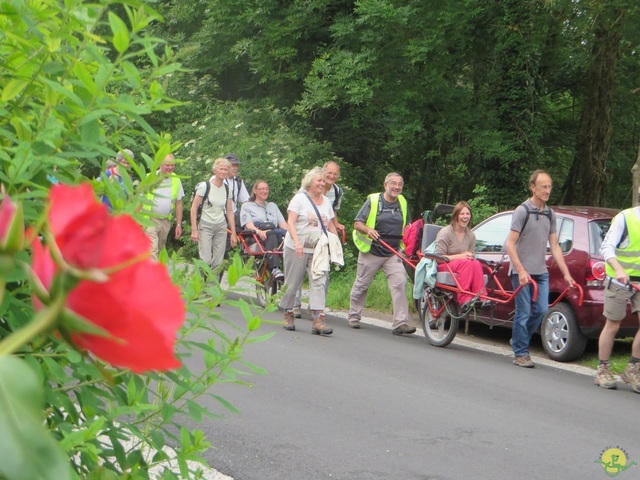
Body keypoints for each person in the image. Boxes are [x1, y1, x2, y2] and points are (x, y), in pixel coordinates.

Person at [505, 169, 574, 368]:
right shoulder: (522, 211)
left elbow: (555, 246)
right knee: (524, 311)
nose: (547, 190)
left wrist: (567, 274)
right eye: (543, 186)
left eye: (549, 186)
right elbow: (510, 244)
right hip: (521, 272)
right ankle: (520, 352)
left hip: (540, 271)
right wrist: (521, 270)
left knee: (542, 310)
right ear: (532, 187)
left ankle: (519, 339)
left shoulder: (549, 213)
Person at [349, 172, 415, 335]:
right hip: (372, 250)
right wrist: (368, 230)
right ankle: (354, 316)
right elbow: (357, 223)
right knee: (362, 284)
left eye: (400, 184)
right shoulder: (373, 201)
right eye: (393, 183)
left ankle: (400, 323)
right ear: (385, 185)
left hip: (392, 251)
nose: (396, 187)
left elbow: (408, 226)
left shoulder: (402, 202)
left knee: (400, 282)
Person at [280, 167, 337, 335]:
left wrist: (334, 244)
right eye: (319, 180)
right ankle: (288, 312)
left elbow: (330, 224)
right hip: (296, 248)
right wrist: (297, 243)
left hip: (318, 250)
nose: (322, 183)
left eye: (323, 181)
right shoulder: (299, 200)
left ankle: (318, 318)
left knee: (319, 281)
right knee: (293, 283)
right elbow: (290, 222)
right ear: (309, 182)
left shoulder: (326, 202)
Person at [593, 205, 640, 392]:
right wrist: (619, 269)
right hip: (618, 281)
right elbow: (606, 247)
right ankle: (602, 369)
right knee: (613, 324)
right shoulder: (625, 218)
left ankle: (633, 367)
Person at [292, 161, 345, 317]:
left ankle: (316, 310)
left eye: (335, 174)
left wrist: (335, 234)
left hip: (319, 241)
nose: (331, 177)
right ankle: (293, 306)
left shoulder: (336, 192)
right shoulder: (303, 193)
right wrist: (296, 241)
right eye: (329, 173)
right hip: (301, 238)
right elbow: (294, 215)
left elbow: (331, 212)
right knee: (296, 275)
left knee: (321, 275)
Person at [435, 201, 485, 311]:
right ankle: (463, 298)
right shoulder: (446, 232)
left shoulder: (471, 235)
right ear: (456, 215)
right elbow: (438, 257)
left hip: (462, 265)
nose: (465, 217)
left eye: (467, 214)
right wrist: (461, 256)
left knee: (475, 263)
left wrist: (466, 257)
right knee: (466, 263)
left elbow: (470, 256)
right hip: (444, 264)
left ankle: (481, 296)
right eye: (462, 214)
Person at [190, 157, 238, 272]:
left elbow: (230, 212)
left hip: (221, 226)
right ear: (215, 171)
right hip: (206, 225)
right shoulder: (205, 186)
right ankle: (201, 286)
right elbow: (193, 208)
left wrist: (233, 233)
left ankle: (214, 288)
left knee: (218, 262)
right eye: (221, 169)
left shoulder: (227, 189)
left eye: (226, 169)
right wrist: (194, 230)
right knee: (205, 260)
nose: (223, 172)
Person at [240, 180, 288, 280]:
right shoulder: (247, 206)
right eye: (262, 189)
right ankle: (275, 268)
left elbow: (283, 224)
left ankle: (290, 269)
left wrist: (292, 233)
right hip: (256, 235)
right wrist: (259, 231)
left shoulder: (272, 206)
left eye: (266, 189)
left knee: (287, 235)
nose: (265, 191)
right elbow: (248, 224)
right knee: (271, 234)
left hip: (274, 232)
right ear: (255, 191)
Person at [144, 153, 184, 260]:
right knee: (152, 249)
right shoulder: (150, 178)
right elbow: (140, 200)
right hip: (150, 219)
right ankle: (153, 275)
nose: (170, 168)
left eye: (172, 165)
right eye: (168, 165)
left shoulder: (176, 179)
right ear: (160, 165)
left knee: (160, 248)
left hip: (166, 220)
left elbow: (178, 203)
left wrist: (179, 224)